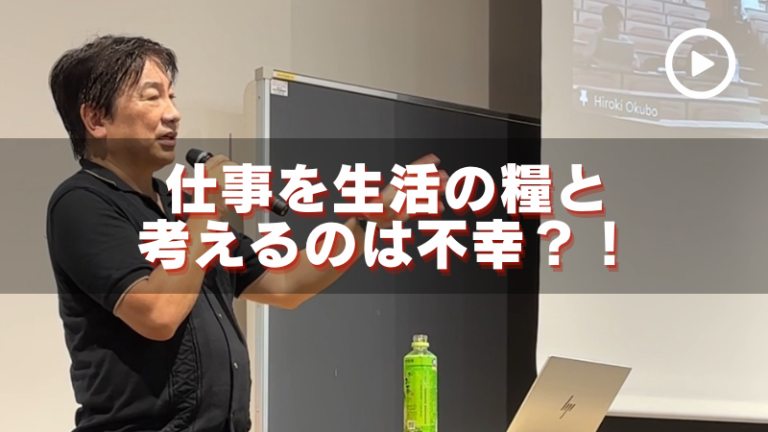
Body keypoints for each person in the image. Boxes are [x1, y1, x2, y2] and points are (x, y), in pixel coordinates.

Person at [46, 35, 448, 432]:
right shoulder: (82, 203)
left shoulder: (180, 209)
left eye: (172, 96)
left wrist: (369, 220)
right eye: (152, 97)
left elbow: (288, 283)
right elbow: (158, 313)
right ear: (96, 119)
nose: (173, 114)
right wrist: (210, 205)